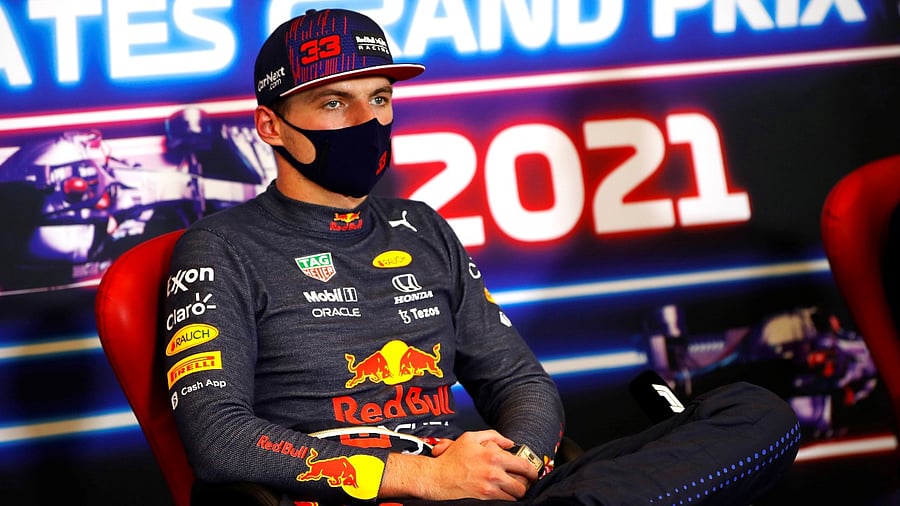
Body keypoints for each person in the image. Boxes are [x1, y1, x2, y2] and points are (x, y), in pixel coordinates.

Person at [162, 8, 800, 505]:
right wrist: (425, 479)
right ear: (270, 125)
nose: (368, 119)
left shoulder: (420, 227)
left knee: (754, 412)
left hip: (476, 484)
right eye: (335, 102)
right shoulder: (220, 248)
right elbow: (219, 440)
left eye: (379, 98)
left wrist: (507, 467)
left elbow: (521, 384)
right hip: (364, 495)